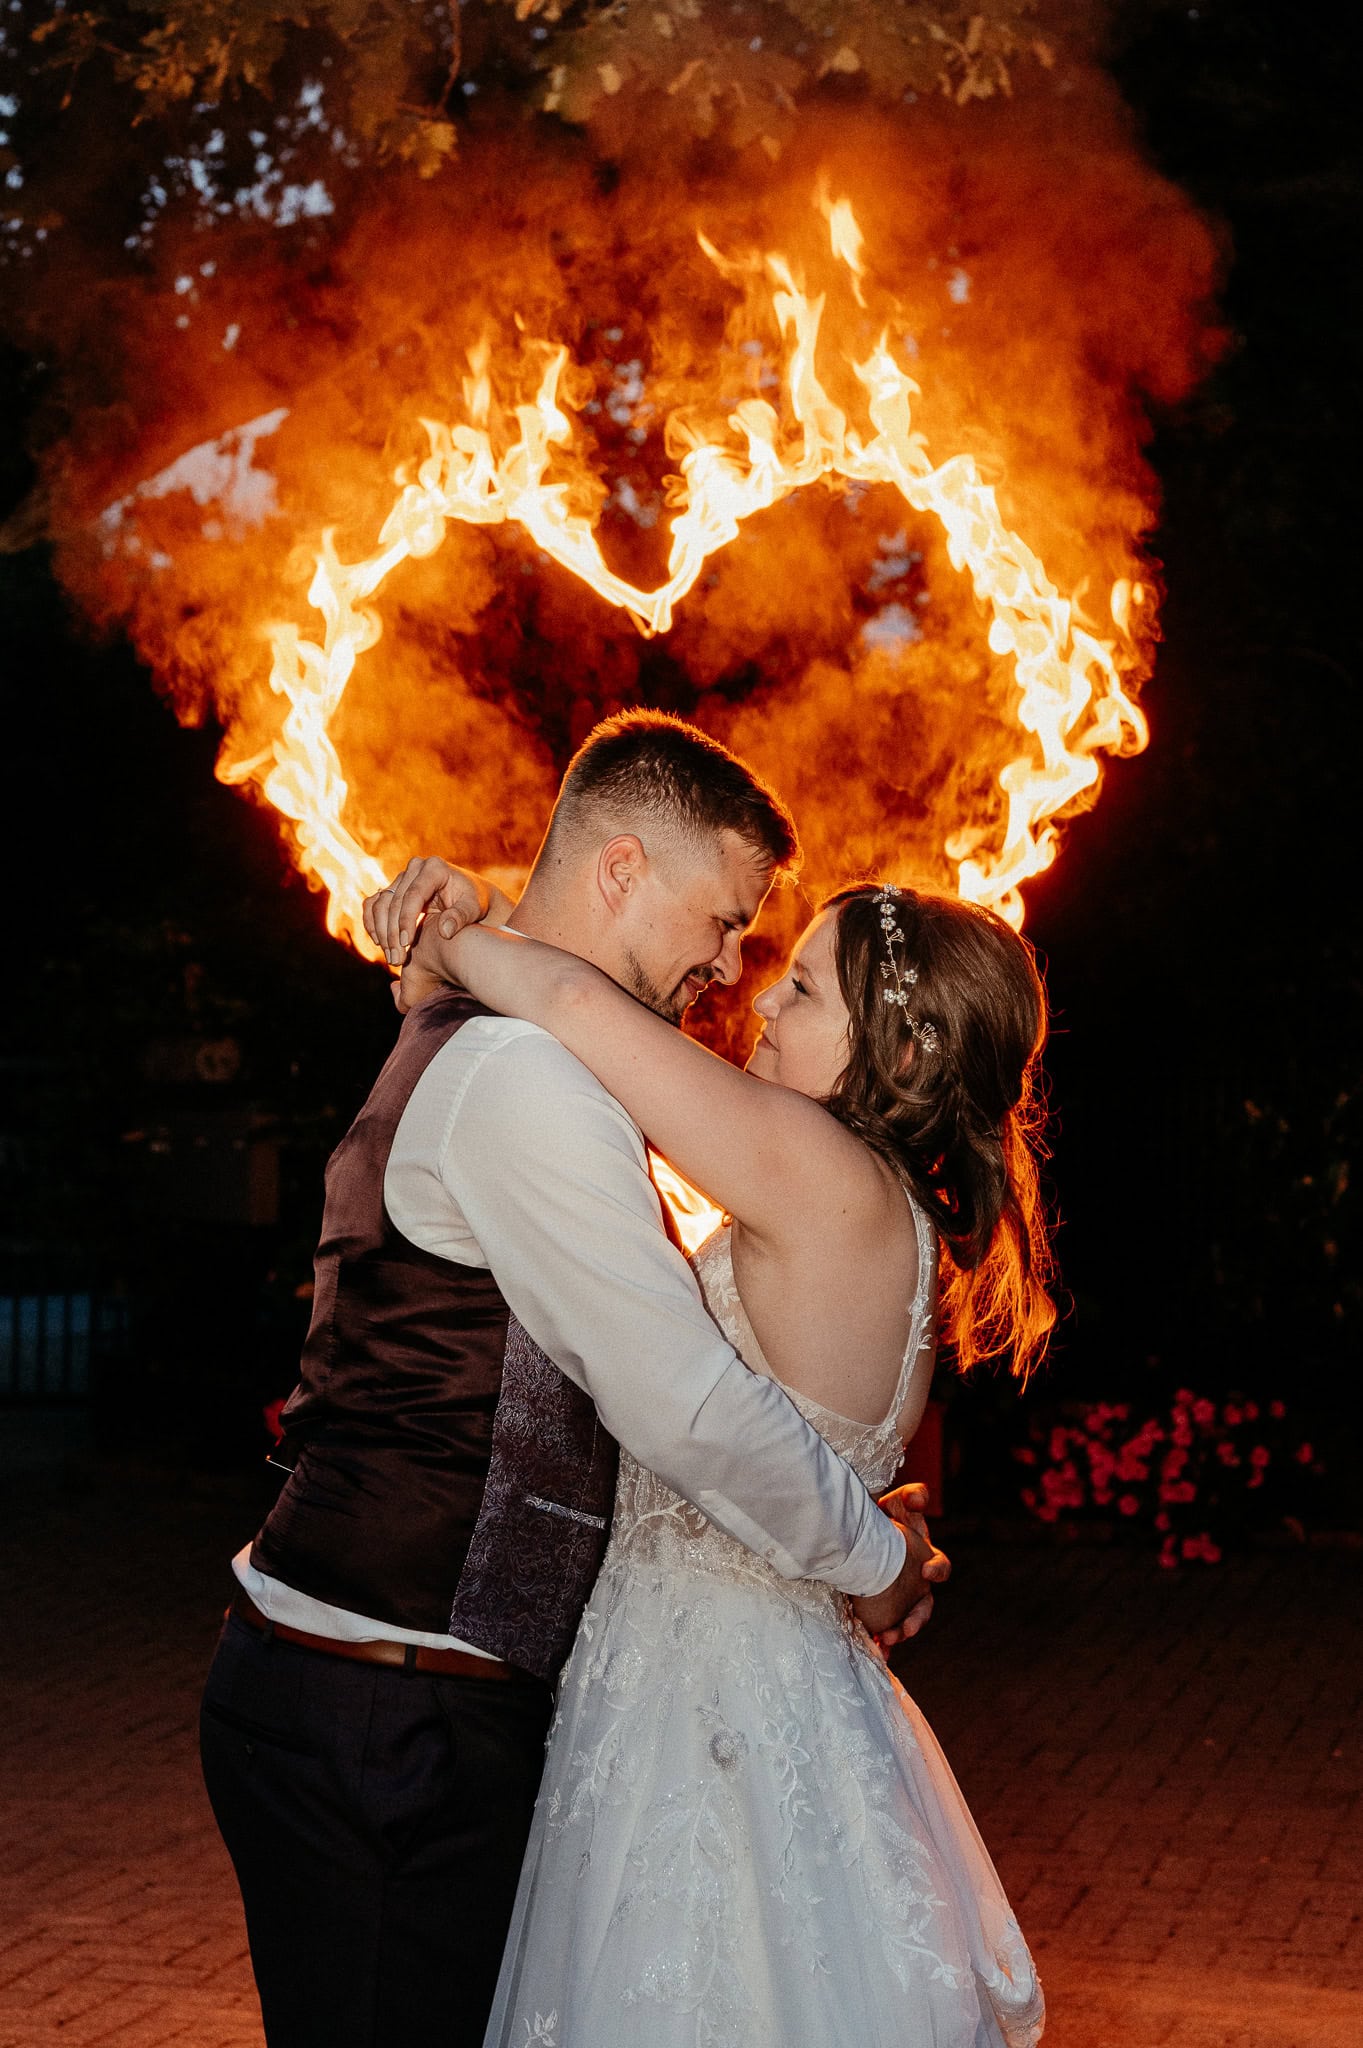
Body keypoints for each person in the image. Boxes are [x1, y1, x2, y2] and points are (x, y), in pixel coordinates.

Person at [198, 711, 946, 2048]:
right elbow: (682, 1399)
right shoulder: (523, 1079)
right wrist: (871, 1557)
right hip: (386, 1713)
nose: (728, 967)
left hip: (402, 1697)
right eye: (721, 920)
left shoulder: (510, 1041)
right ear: (618, 871)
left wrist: (467, 918)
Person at [388, 865, 1055, 2047]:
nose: (761, 1004)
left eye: (802, 988)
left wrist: (449, 938)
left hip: (697, 1701)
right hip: (785, 1686)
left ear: (899, 1053)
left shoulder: (810, 1163)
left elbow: (581, 1012)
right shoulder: (894, 1214)